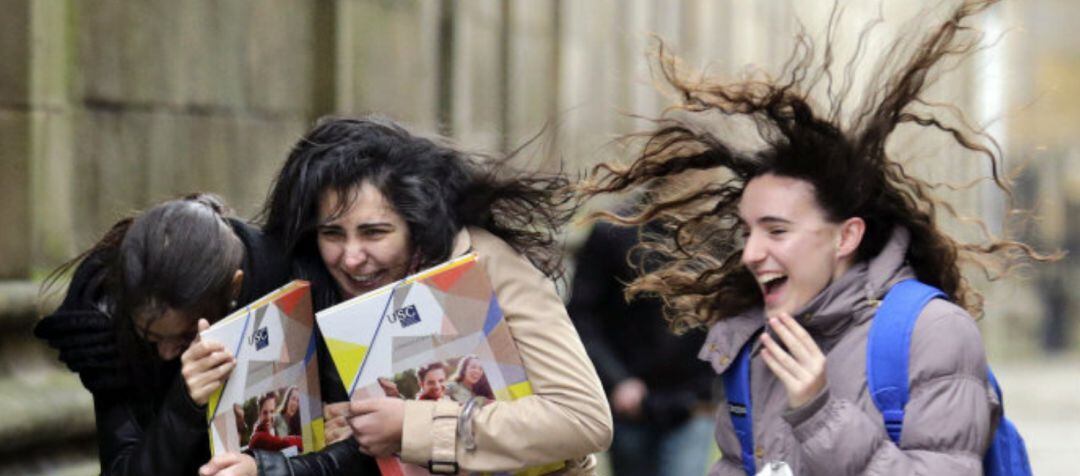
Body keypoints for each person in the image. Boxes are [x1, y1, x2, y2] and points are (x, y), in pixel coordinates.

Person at [579, 1, 1053, 474]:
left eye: (777, 230)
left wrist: (818, 411)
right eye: (747, 231)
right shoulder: (752, 339)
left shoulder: (932, 333)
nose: (750, 253)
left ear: (846, 237)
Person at [199, 116, 611, 476]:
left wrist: (411, 427)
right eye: (332, 234)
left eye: (375, 233)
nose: (352, 258)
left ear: (416, 223)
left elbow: (583, 418)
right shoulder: (309, 282)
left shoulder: (487, 264)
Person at [33, 194, 291, 475]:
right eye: (151, 338)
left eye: (185, 336)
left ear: (234, 288)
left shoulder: (279, 283)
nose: (166, 353)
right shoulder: (104, 328)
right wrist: (184, 405)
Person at [567, 217, 716, 476]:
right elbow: (582, 316)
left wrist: (717, 385)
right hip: (631, 407)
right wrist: (617, 379)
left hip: (693, 402)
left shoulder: (713, 230)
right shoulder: (613, 231)